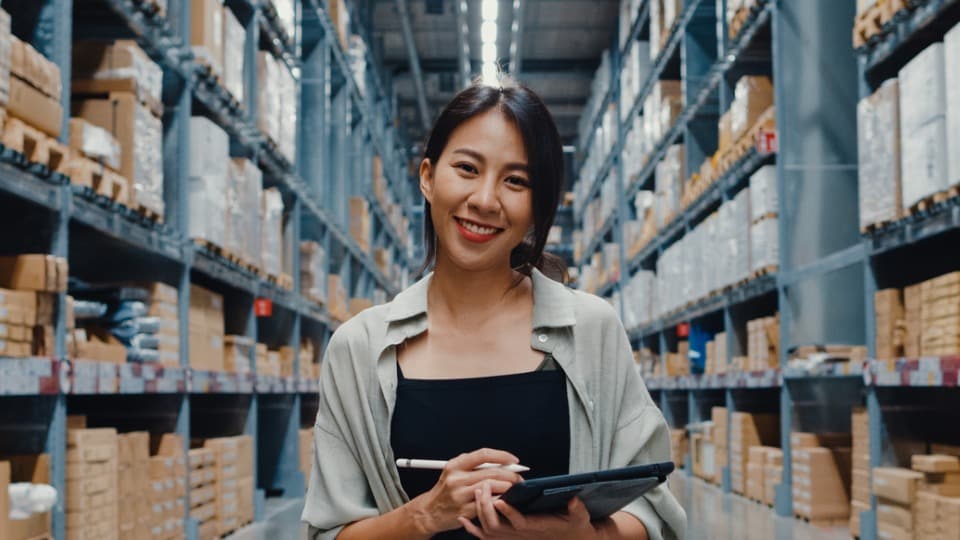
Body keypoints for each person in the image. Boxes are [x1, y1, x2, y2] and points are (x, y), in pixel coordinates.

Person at [302, 75, 686, 540]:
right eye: (467, 168)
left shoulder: (590, 331)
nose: (484, 200)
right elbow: (329, 533)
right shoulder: (359, 350)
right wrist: (425, 515)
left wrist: (585, 537)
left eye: (515, 181)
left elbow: (653, 508)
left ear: (538, 207)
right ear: (428, 177)